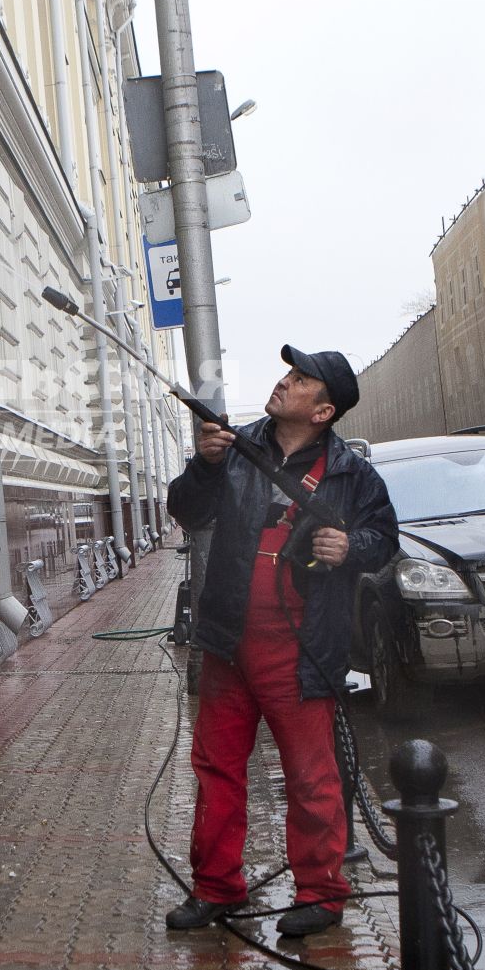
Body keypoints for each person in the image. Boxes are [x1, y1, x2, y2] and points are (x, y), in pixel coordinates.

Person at [163, 346, 398, 938]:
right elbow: (187, 513)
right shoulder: (235, 449)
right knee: (216, 767)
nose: (282, 383)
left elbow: (384, 539)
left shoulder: (352, 474)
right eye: (287, 373)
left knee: (310, 775)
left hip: (301, 649)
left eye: (298, 381)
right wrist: (204, 466)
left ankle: (320, 894)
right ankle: (217, 889)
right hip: (227, 643)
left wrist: (351, 549)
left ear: (322, 411)